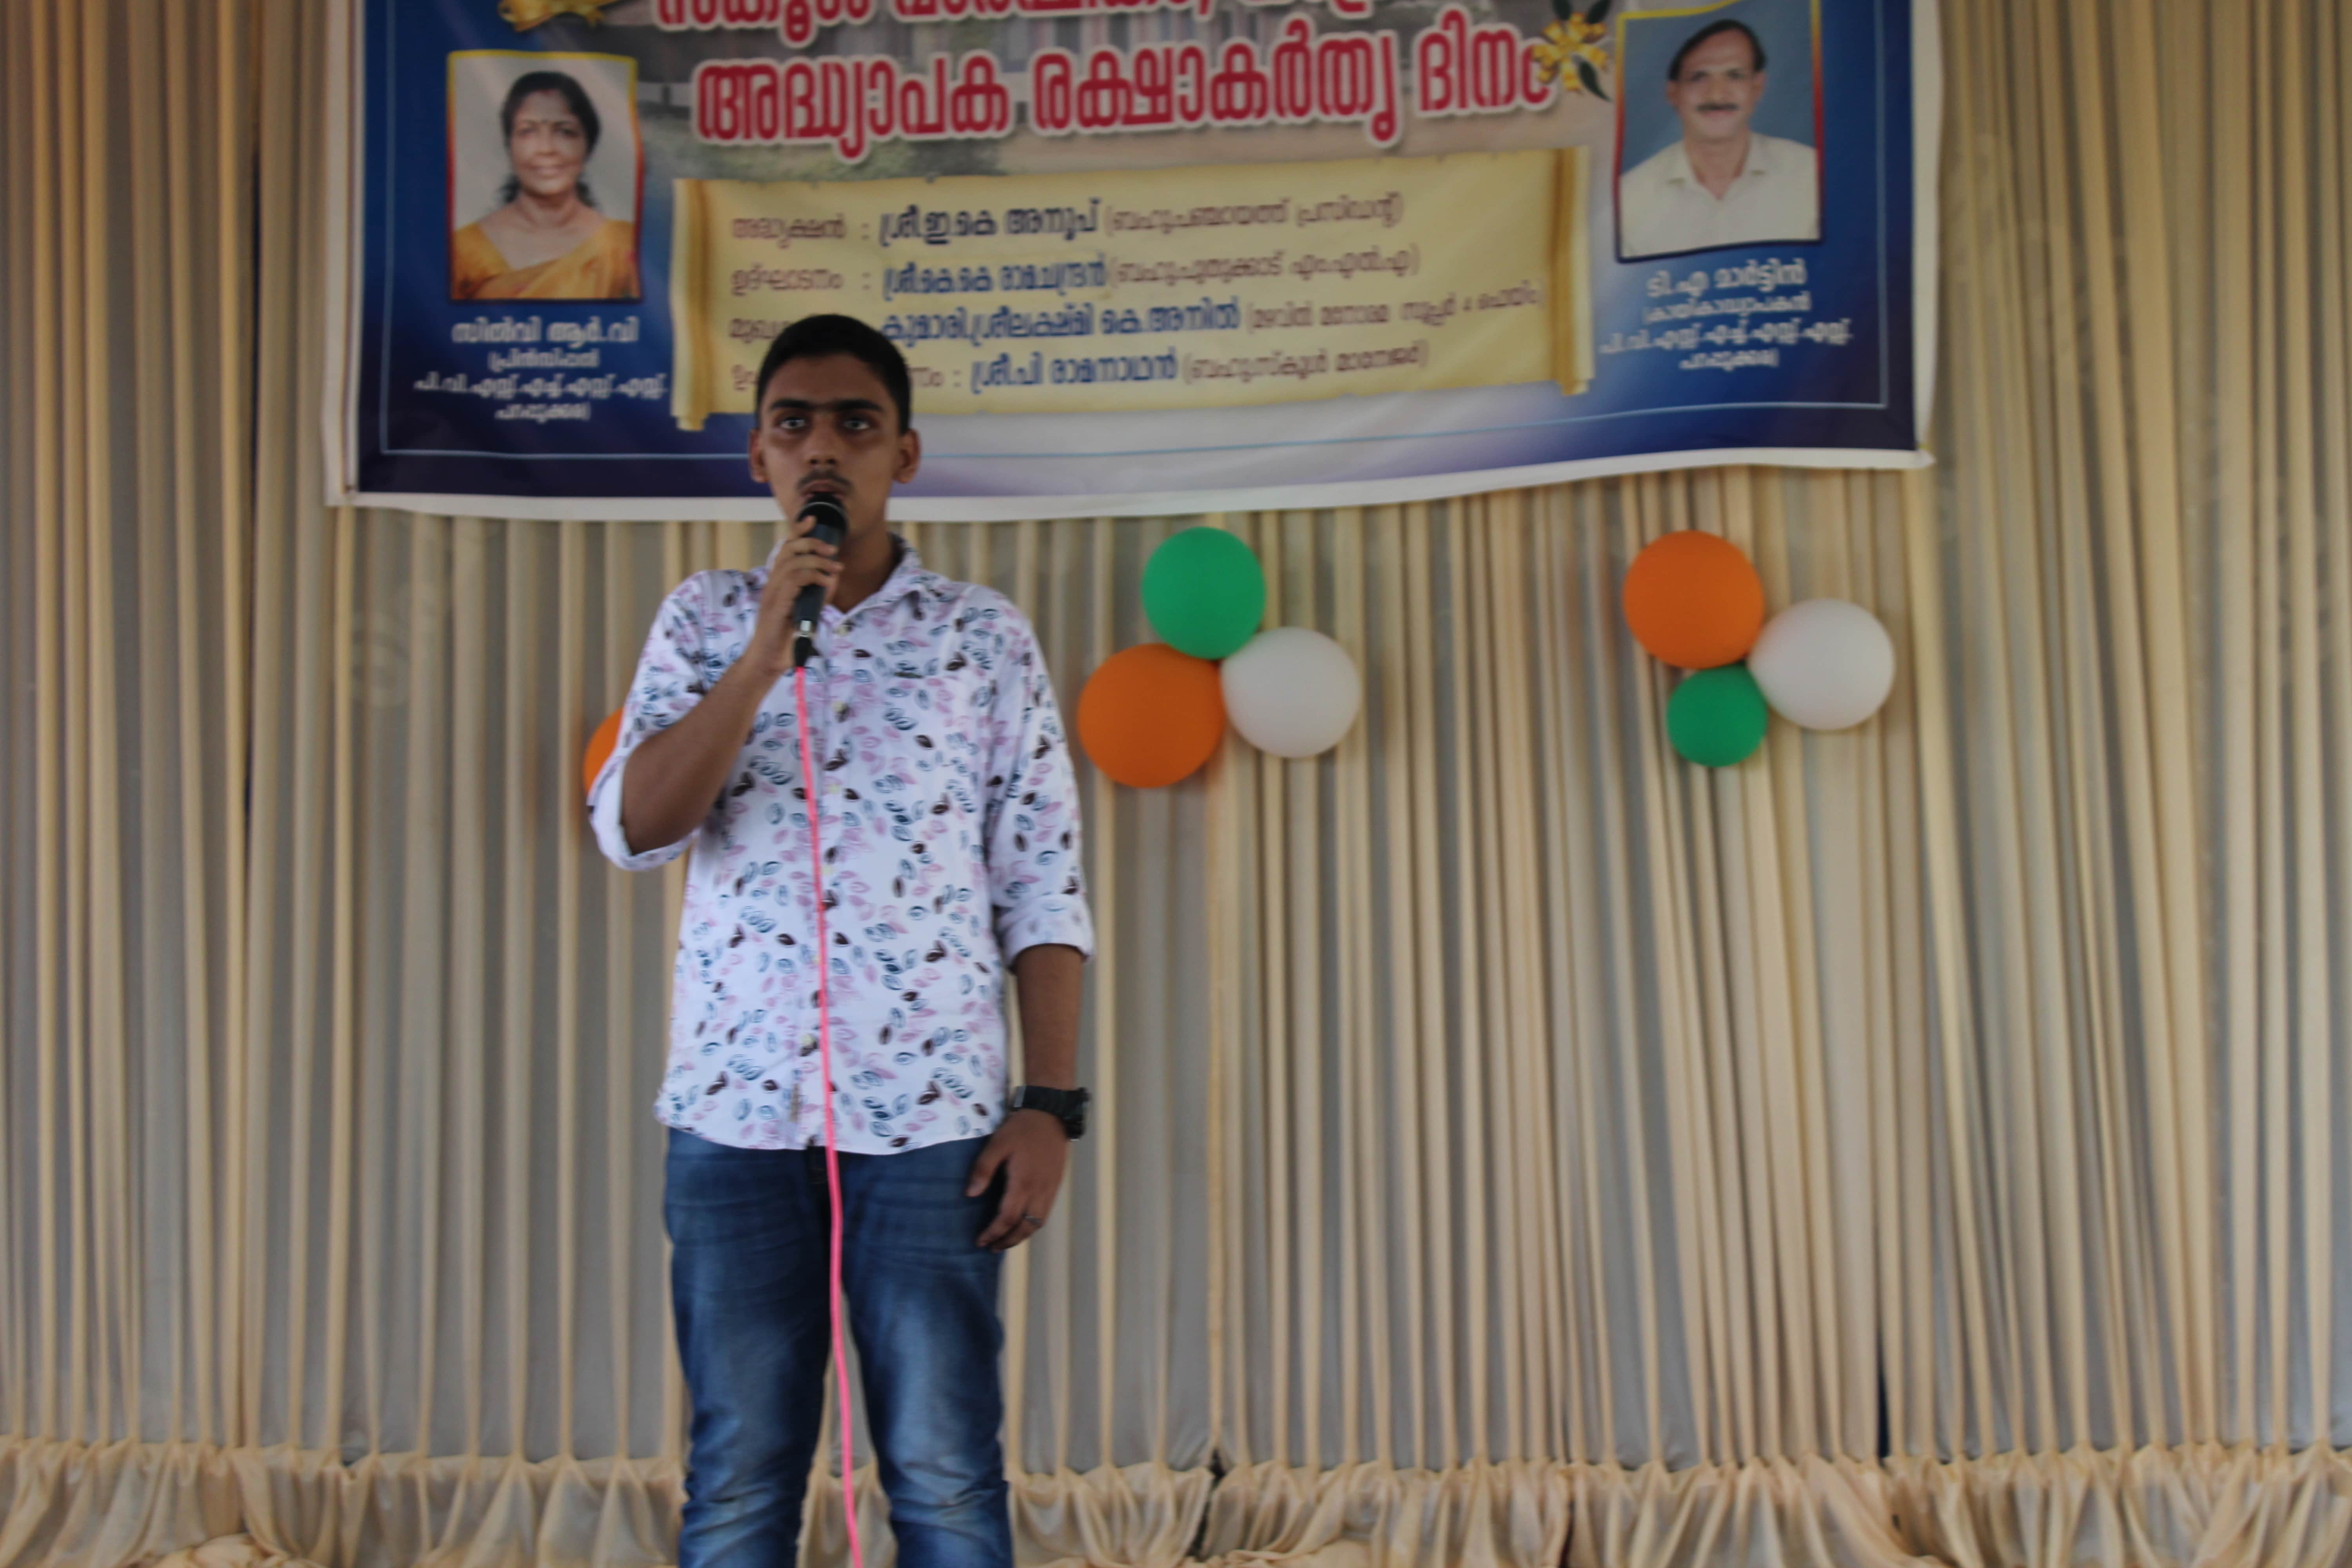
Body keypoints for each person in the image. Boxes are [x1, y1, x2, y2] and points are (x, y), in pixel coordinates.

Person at [587, 314, 1093, 1567]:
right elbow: (635, 829)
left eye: (855, 423)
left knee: (944, 1475)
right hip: (736, 1118)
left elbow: (1042, 882)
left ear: (902, 454)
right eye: (794, 423)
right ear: (759, 456)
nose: (824, 447)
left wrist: (1051, 1105)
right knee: (739, 1477)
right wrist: (763, 656)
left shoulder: (982, 637)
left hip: (931, 1128)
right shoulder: (707, 619)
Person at [1617, 17, 1819, 260]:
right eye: (1699, 77)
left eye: (1735, 75)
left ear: (1758, 86)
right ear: (1673, 93)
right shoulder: (1630, 198)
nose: (1717, 95)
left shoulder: (1812, 175)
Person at [451, 69, 639, 300]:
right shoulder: (462, 251)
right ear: (510, 146)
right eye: (528, 131)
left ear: (588, 146)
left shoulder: (624, 246)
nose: (546, 149)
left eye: (565, 132)